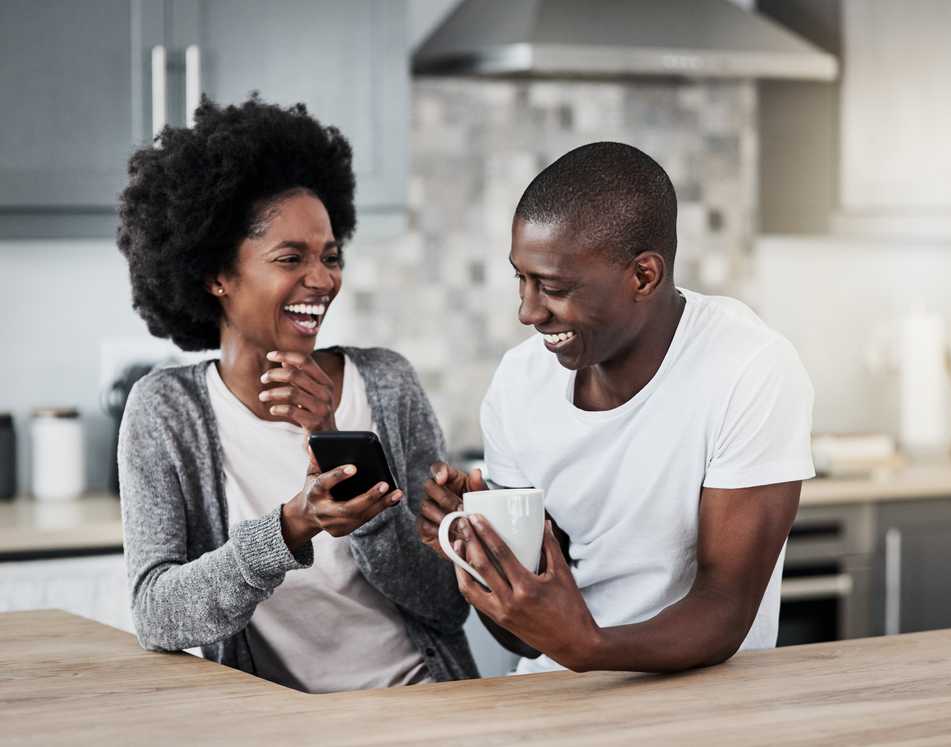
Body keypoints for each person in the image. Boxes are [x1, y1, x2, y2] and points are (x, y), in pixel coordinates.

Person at [116, 96, 476, 692]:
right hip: (281, 725)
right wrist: (288, 530)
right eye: (291, 258)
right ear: (216, 274)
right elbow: (157, 614)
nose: (323, 279)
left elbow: (446, 603)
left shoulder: (387, 383)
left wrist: (342, 452)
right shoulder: (166, 411)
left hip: (423, 703)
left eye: (330, 257)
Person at [418, 142, 813, 674]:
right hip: (557, 699)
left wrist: (590, 650)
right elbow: (528, 639)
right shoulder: (518, 381)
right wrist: (480, 554)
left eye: (553, 288)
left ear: (643, 276)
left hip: (706, 704)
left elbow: (725, 608)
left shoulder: (749, 367)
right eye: (522, 278)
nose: (528, 312)